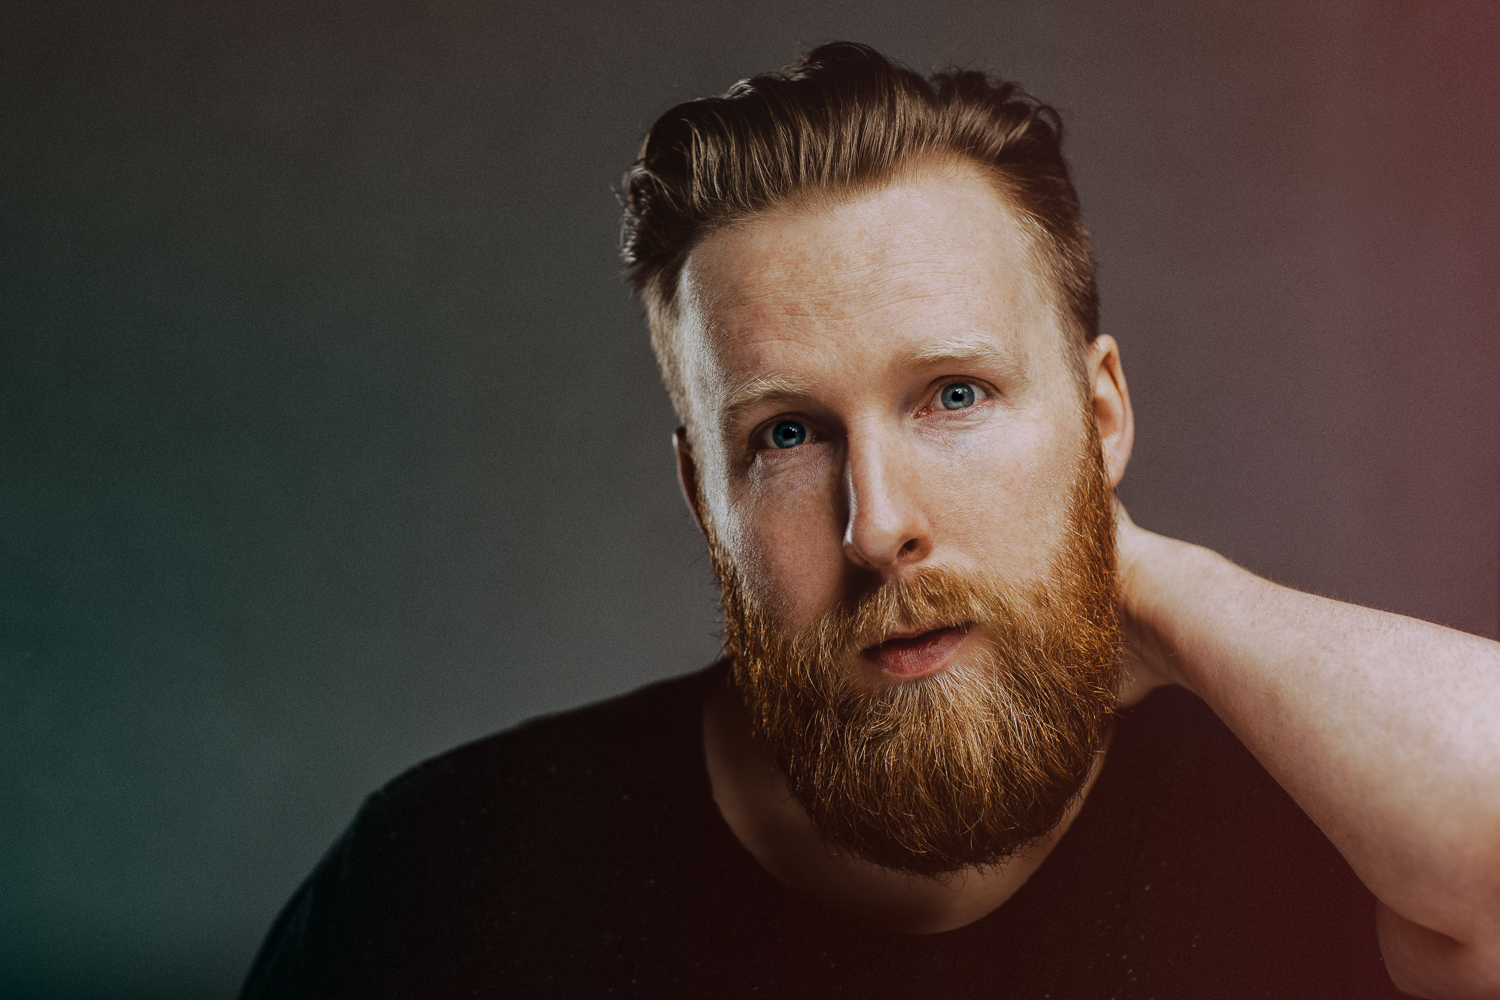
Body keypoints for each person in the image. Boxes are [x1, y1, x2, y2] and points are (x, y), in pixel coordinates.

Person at [241, 42, 1500, 999]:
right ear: (705, 496)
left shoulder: (1328, 813)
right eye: (787, 435)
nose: (878, 526)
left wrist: (1148, 581)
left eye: (954, 396)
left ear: (1101, 415)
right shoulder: (443, 881)